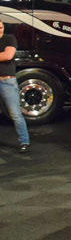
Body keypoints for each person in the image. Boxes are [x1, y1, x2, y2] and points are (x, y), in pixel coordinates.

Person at [0, 20, 29, 153]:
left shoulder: (9, 38)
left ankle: (24, 141)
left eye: (1, 27)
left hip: (7, 81)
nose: (0, 30)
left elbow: (8, 55)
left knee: (15, 113)